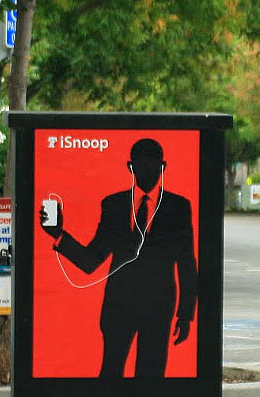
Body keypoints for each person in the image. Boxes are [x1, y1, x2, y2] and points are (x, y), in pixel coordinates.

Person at [39, 138, 197, 378]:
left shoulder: (178, 207)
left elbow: (186, 264)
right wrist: (59, 235)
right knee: (110, 375)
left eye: (153, 164)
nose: (147, 170)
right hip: (118, 307)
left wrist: (185, 315)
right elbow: (91, 260)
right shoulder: (114, 205)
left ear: (162, 167)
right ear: (130, 167)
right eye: (141, 164)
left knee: (151, 378)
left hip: (158, 308)